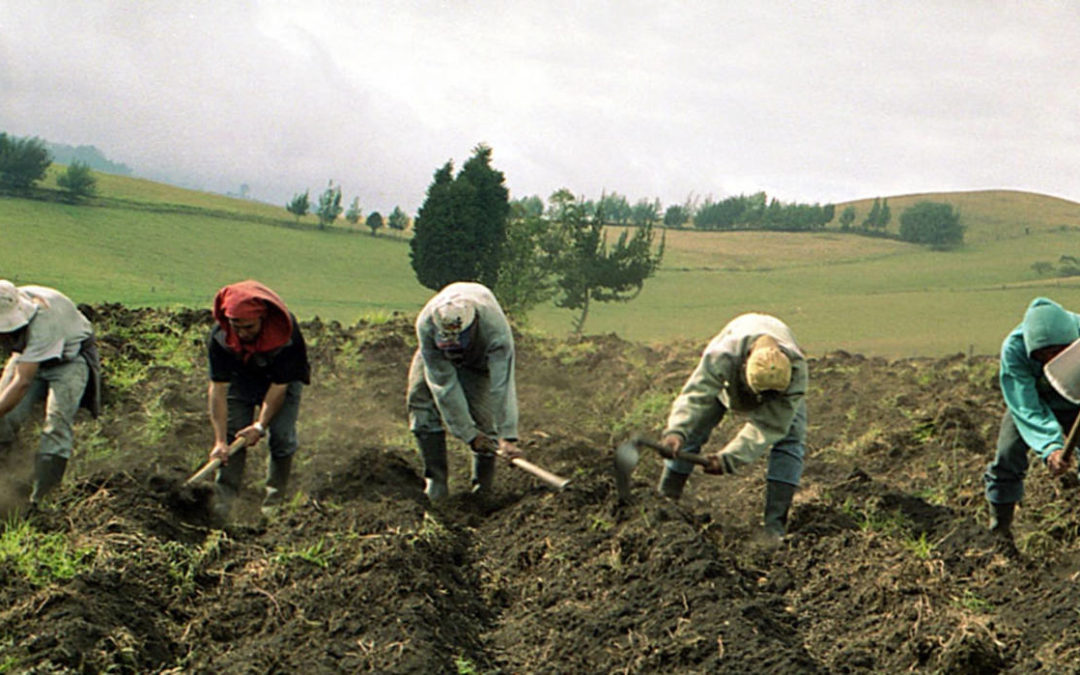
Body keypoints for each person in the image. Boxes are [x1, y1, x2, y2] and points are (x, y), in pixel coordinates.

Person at [657, 313, 808, 539]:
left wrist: (729, 458)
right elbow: (696, 396)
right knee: (694, 430)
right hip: (728, 387)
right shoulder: (723, 355)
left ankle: (774, 528)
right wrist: (676, 431)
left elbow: (769, 426)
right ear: (746, 363)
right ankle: (667, 499)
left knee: (790, 441)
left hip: (780, 397)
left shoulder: (795, 370)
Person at [407, 282, 521, 501]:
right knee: (420, 399)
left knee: (485, 420)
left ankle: (482, 489)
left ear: (473, 324)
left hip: (479, 359)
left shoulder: (496, 333)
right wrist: (468, 434)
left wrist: (507, 435)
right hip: (434, 356)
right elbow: (443, 385)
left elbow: (502, 386)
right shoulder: (427, 324)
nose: (454, 349)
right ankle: (436, 481)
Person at [206, 280, 309, 519]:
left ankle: (274, 503)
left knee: (282, 437)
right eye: (236, 326)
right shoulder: (220, 337)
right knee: (233, 437)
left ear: (262, 318)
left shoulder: (287, 333)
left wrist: (260, 426)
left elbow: (279, 386)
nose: (242, 334)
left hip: (280, 382)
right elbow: (218, 389)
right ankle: (223, 502)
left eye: (249, 327)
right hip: (241, 379)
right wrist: (220, 441)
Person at [984, 297, 1080, 540]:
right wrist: (1051, 448)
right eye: (1043, 355)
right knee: (1007, 457)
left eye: (1058, 353)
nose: (1050, 361)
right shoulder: (1015, 350)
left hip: (1076, 398)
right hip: (1035, 401)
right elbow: (1026, 407)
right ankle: (1000, 534)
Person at [0, 280, 101, 506]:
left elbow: (22, 382)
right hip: (25, 356)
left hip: (69, 360)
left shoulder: (43, 322)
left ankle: (42, 499)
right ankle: (6, 476)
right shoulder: (11, 297)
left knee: (56, 424)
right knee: (5, 419)